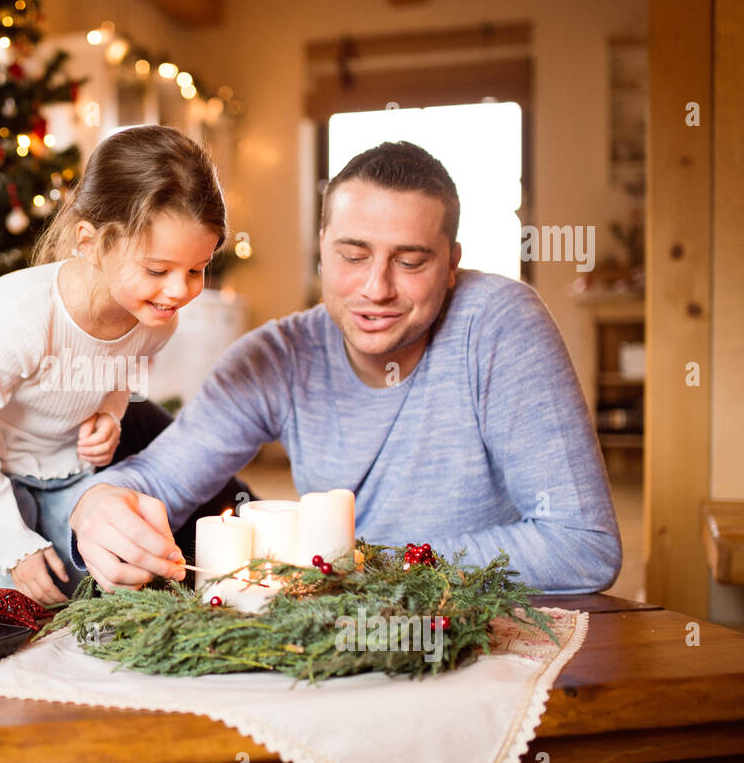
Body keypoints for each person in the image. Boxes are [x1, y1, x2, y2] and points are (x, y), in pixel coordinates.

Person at [67, 140, 622, 595]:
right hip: (332, 616)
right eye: (354, 256)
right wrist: (96, 505)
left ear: (452, 265)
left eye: (410, 261)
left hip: (459, 625)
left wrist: (356, 565)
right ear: (322, 249)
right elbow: (156, 479)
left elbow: (582, 545)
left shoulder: (500, 323)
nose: (376, 288)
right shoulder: (280, 356)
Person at [0, 125, 227, 605]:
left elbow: (118, 375)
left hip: (62, 465)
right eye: (157, 270)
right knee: (17, 602)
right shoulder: (20, 315)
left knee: (96, 584)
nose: (178, 291)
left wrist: (110, 414)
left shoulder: (156, 320)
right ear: (90, 242)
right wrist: (13, 546)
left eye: (196, 269)